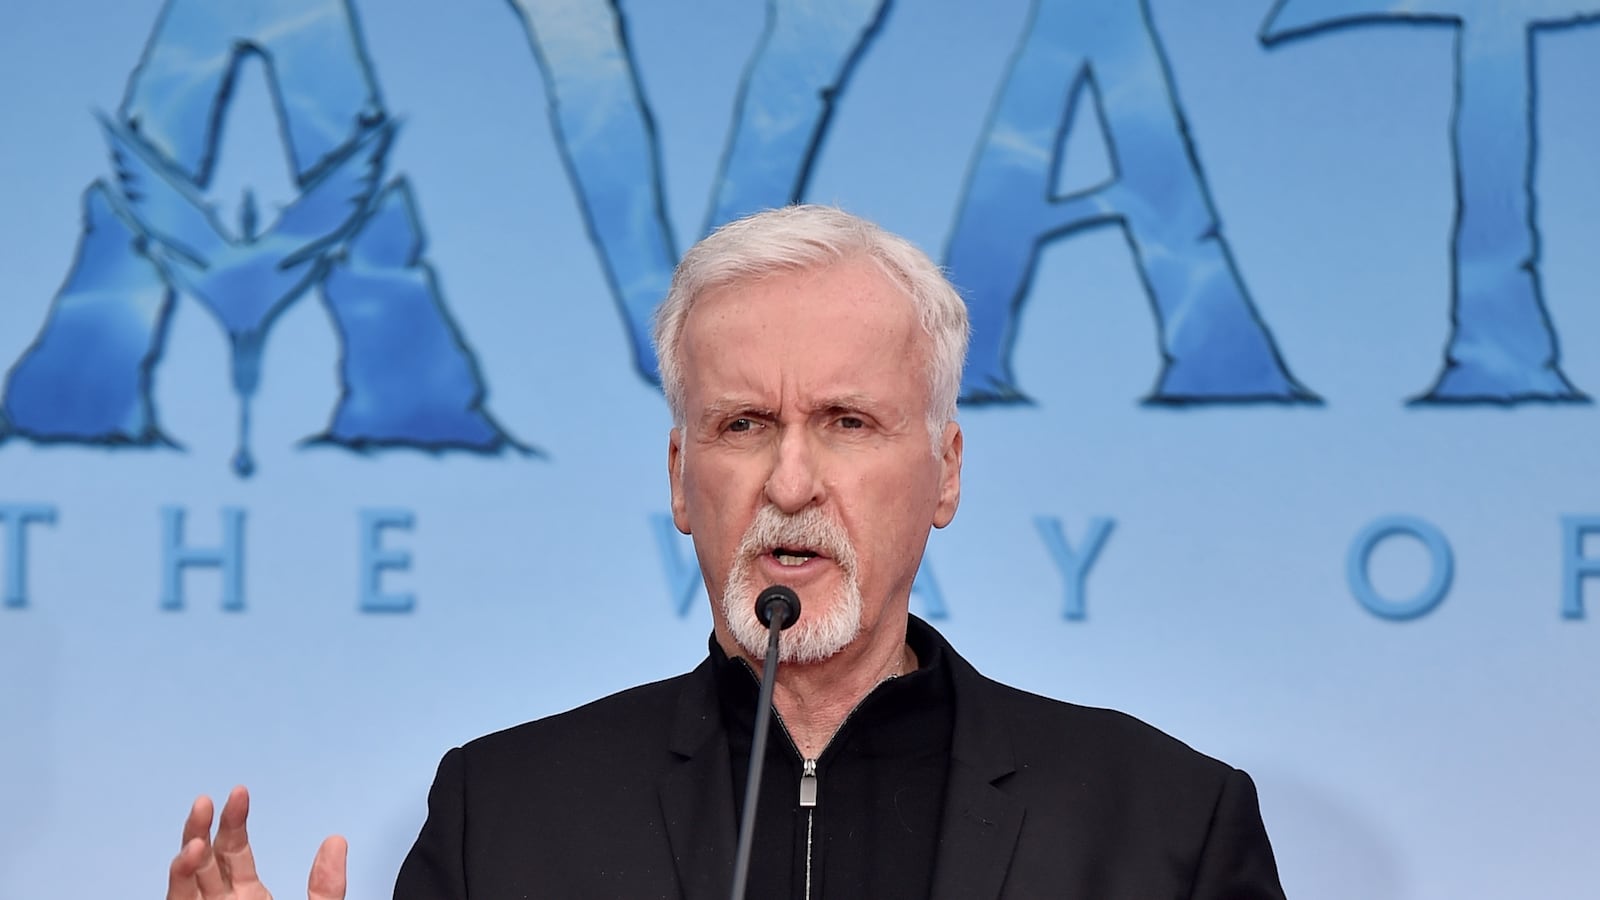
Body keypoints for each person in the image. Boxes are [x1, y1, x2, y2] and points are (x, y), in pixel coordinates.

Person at [167, 205, 1286, 899]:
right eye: (742, 426)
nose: (790, 483)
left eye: (848, 424)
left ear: (944, 472)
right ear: (678, 480)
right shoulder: (504, 813)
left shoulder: (1160, 823)